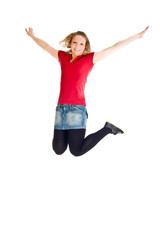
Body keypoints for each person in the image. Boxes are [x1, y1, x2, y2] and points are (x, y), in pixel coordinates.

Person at [25, 26, 149, 156]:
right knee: (58, 149)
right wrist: (33, 36)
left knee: (76, 151)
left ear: (85, 46)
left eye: (81, 44)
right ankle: (71, 134)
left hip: (77, 110)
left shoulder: (90, 59)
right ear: (70, 43)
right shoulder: (62, 57)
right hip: (61, 109)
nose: (77, 46)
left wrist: (136, 36)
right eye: (74, 42)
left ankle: (107, 129)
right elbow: (45, 46)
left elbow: (114, 47)